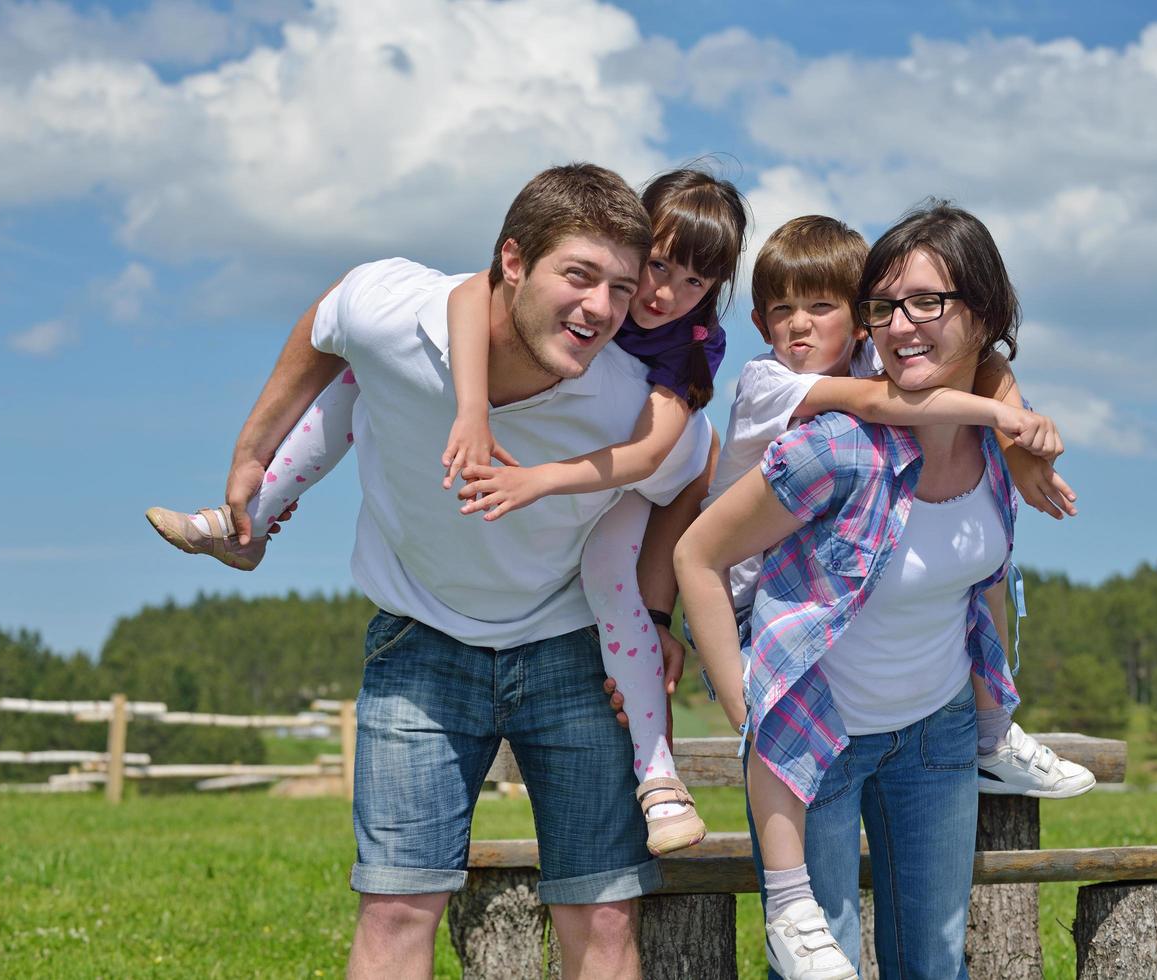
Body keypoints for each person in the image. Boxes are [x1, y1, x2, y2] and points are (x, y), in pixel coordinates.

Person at [217, 163, 711, 980]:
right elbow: (328, 316)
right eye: (578, 276)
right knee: (397, 907)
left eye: (622, 289)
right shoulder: (401, 320)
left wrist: (653, 618)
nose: (600, 309)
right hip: (419, 645)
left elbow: (689, 475)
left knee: (603, 914)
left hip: (571, 654)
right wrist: (252, 450)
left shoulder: (629, 400)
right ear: (513, 261)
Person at [676, 201, 1080, 979]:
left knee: (931, 962)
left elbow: (984, 583)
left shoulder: (991, 444)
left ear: (982, 312)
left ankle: (999, 737)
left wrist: (1014, 428)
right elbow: (698, 555)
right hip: (817, 736)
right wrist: (743, 707)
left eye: (925, 302)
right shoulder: (828, 442)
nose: (900, 325)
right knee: (817, 961)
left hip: (936, 733)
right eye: (885, 306)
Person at [440, 167, 748, 854]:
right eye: (657, 266)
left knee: (611, 583)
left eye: (693, 283)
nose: (664, 294)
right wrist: (468, 408)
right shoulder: (585, 298)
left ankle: (658, 776)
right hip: (605, 476)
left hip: (645, 481)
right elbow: (468, 293)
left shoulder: (692, 341)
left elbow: (648, 458)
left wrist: (539, 482)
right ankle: (255, 503)